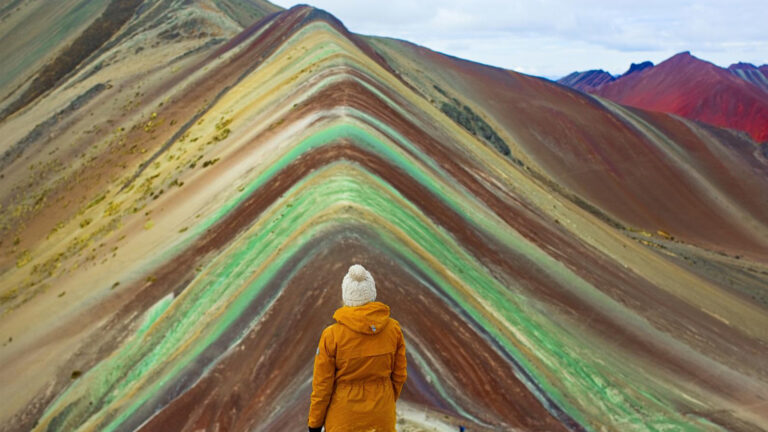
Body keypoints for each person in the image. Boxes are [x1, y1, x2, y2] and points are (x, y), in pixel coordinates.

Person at [308, 264, 408, 432]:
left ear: (346, 296)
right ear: (372, 293)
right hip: (382, 418)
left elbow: (322, 386)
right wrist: (385, 399)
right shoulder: (393, 329)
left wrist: (315, 424)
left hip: (344, 419)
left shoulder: (332, 335)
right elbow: (399, 375)